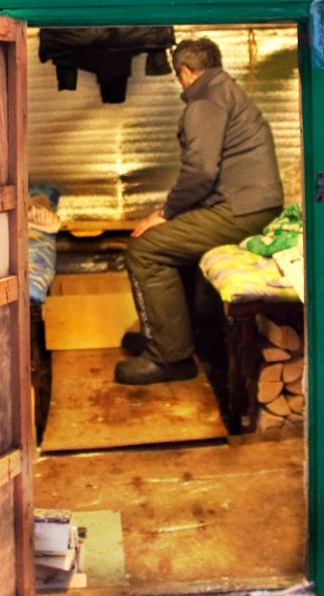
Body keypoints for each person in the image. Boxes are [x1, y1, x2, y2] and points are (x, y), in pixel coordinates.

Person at [115, 38, 283, 385]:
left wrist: (164, 212)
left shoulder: (205, 100)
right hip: (249, 205)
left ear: (186, 72)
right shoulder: (225, 91)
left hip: (240, 210)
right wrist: (172, 212)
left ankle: (170, 356)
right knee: (175, 242)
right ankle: (175, 333)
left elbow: (201, 172)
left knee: (145, 249)